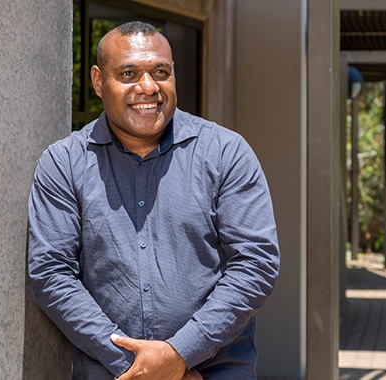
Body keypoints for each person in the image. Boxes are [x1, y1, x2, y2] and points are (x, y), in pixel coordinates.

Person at [28, 21, 280, 380]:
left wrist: (181, 354)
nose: (148, 87)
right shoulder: (64, 164)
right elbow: (51, 273)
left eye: (161, 72)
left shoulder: (225, 153)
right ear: (99, 81)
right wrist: (141, 369)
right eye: (129, 73)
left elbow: (256, 264)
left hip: (215, 372)